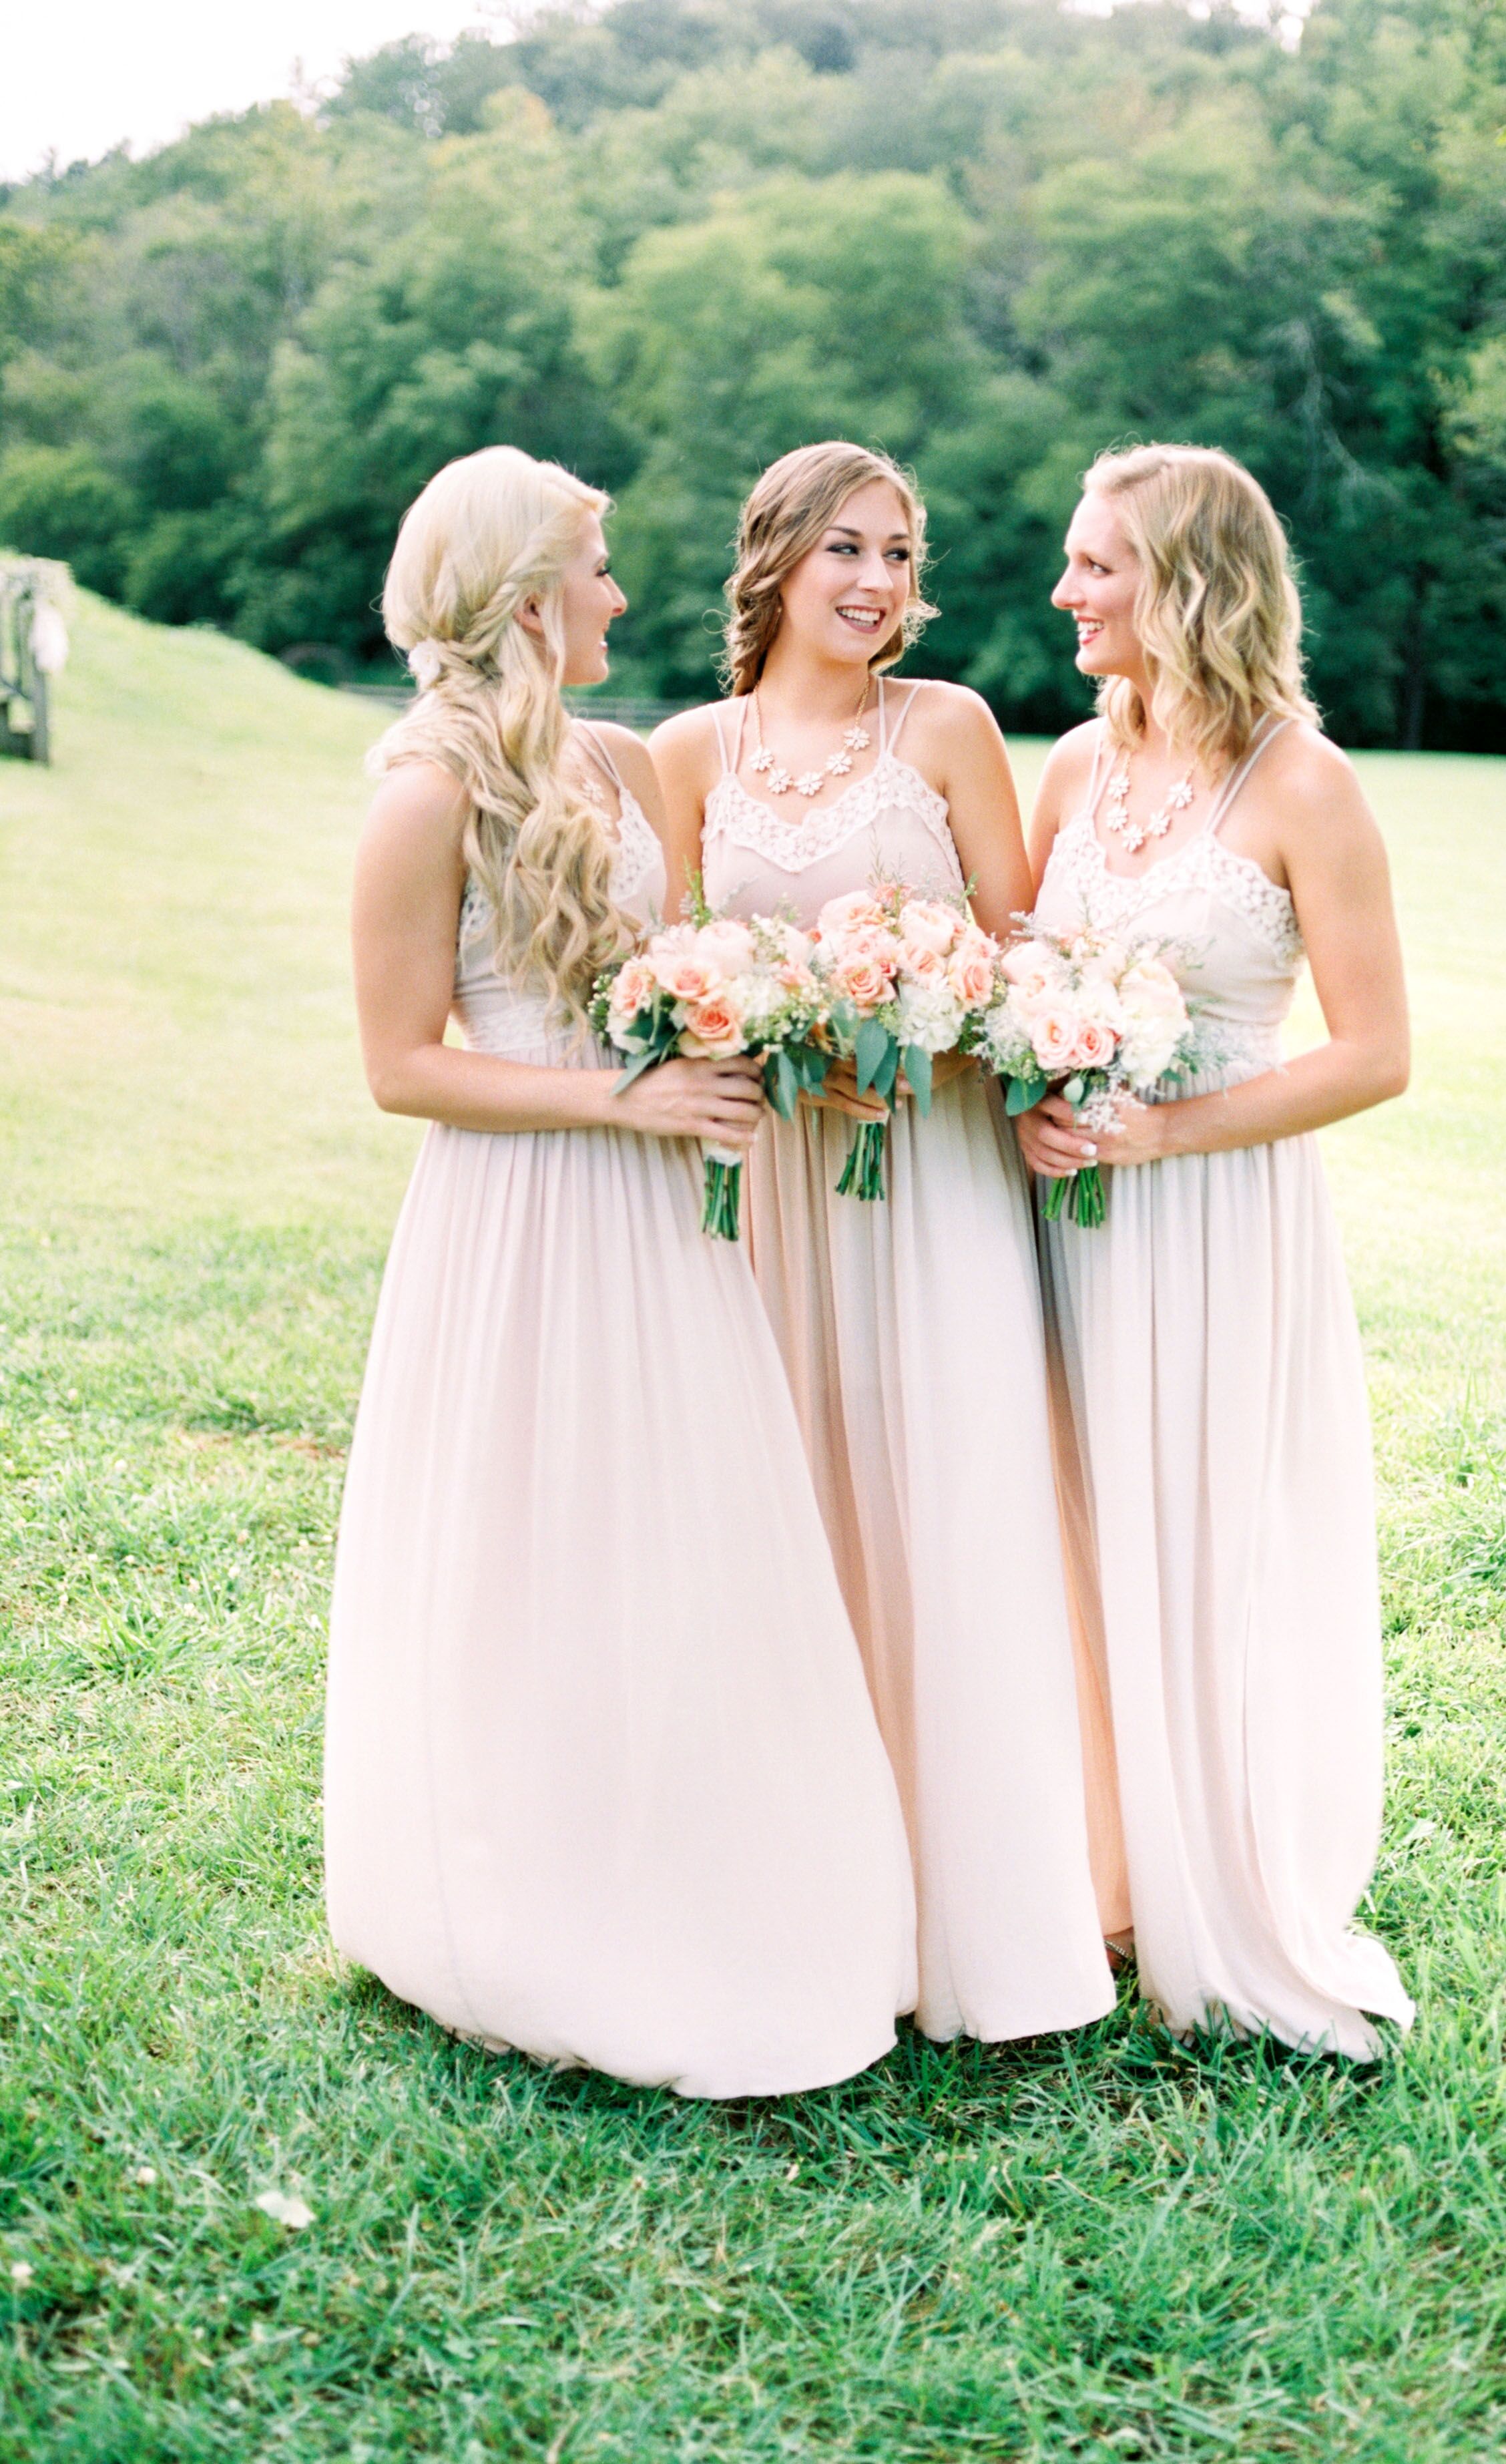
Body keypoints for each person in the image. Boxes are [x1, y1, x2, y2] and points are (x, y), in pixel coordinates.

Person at [322, 444, 916, 2099]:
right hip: (520, 1217)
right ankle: (527, 1894)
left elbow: (682, 967)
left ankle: (700, 1870)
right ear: (525, 599)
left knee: (691, 1539)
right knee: (535, 1539)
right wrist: (620, 1098)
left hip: (668, 1220)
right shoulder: (424, 792)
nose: (623, 596)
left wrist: (799, 1035)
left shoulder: (617, 761)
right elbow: (401, 1065)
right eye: (597, 569)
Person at [651, 441, 1119, 2045]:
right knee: (789, 1511)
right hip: (775, 1192)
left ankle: (980, 1914)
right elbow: (676, 978)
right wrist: (776, 1043)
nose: (879, 584)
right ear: (775, 555)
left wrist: (929, 1038)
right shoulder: (686, 753)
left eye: (903, 556)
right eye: (849, 548)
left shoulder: (952, 729)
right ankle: (799, 1892)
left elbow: (1030, 956)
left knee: (955, 1504)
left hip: (935, 1190)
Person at [1020, 443, 1415, 2059]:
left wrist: (1167, 1132)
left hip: (1212, 1218)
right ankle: (1080, 1869)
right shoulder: (1067, 768)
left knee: (1194, 1538)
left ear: (1188, 582)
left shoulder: (1305, 786)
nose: (1066, 593)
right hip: (1050, 1214)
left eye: (1098, 566)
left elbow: (1376, 1052)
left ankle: (1206, 1876)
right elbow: (1005, 976)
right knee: (1061, 1529)